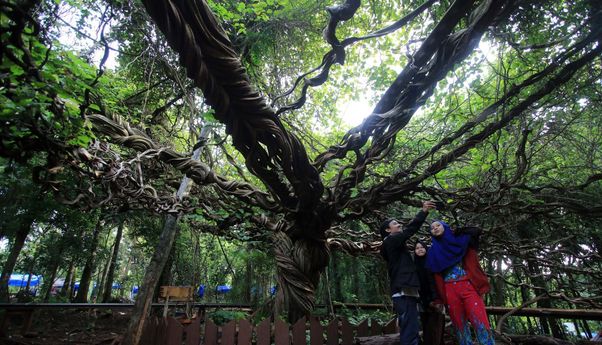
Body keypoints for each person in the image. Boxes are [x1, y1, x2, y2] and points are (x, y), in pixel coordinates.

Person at [426, 220, 495, 345]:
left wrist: (457, 231)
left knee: (480, 321)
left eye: (438, 225)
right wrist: (439, 299)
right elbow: (433, 278)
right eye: (432, 228)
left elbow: (475, 231)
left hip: (469, 287)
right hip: (449, 291)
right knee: (459, 326)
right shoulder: (432, 252)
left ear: (445, 227)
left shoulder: (459, 241)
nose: (435, 228)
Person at [380, 201, 436, 345]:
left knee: (411, 326)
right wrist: (423, 211)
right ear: (387, 230)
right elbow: (410, 229)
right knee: (410, 328)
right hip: (402, 291)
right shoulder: (391, 240)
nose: (399, 224)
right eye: (395, 223)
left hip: (406, 290)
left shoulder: (394, 246)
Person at [413, 240, 445, 345]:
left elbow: (435, 282)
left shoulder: (432, 262)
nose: (420, 249)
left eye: (422, 247)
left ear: (426, 249)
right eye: (417, 248)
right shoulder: (414, 265)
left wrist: (436, 298)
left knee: (437, 327)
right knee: (426, 326)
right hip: (422, 300)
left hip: (436, 299)